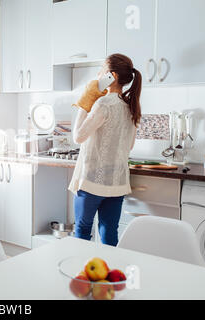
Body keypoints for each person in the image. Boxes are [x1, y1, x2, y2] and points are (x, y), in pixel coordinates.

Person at [69, 53, 142, 246]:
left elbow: (78, 137)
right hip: (117, 181)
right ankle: (110, 274)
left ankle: (83, 275)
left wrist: (85, 103)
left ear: (113, 76)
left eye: (102, 70)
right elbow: (130, 145)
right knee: (109, 231)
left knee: (83, 230)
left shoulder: (102, 104)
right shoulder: (132, 106)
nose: (99, 74)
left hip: (93, 181)